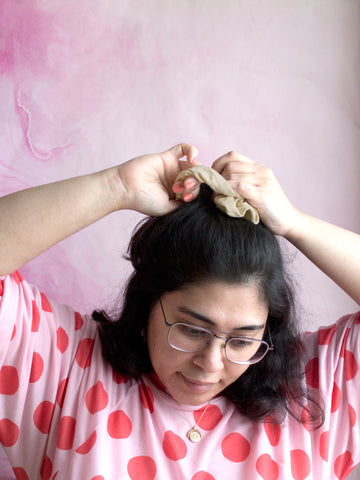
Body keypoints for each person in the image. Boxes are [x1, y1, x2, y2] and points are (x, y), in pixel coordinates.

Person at [0, 143, 359, 480]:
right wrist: (116, 186)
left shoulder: (313, 393)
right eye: (192, 330)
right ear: (146, 306)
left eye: (242, 340)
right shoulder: (68, 370)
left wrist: (295, 224)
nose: (212, 363)